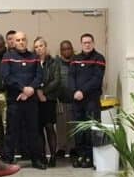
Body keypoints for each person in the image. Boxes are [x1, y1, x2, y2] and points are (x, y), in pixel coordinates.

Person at [0, 31, 47, 169]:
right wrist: (22, 89)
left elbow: (39, 76)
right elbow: (6, 77)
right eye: (18, 40)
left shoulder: (34, 57)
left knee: (33, 131)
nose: (21, 42)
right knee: (11, 130)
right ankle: (8, 159)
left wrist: (31, 89)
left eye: (23, 39)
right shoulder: (7, 57)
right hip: (15, 100)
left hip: (31, 101)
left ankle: (36, 159)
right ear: (13, 42)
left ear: (27, 41)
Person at [68, 33, 106, 169]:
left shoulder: (99, 58)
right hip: (77, 101)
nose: (87, 45)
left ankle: (90, 157)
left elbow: (96, 80)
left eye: (89, 42)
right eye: (84, 42)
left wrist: (82, 91)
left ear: (93, 43)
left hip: (91, 101)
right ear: (81, 44)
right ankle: (80, 155)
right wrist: (74, 91)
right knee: (78, 130)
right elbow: (71, 77)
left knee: (91, 129)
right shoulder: (75, 59)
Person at [34, 37, 64, 163]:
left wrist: (44, 92)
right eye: (36, 47)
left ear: (45, 47)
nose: (39, 49)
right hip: (35, 100)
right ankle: (42, 156)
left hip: (49, 99)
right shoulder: (33, 62)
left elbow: (56, 80)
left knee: (50, 127)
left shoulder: (54, 62)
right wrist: (38, 92)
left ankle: (52, 156)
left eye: (41, 45)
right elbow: (31, 79)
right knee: (38, 128)